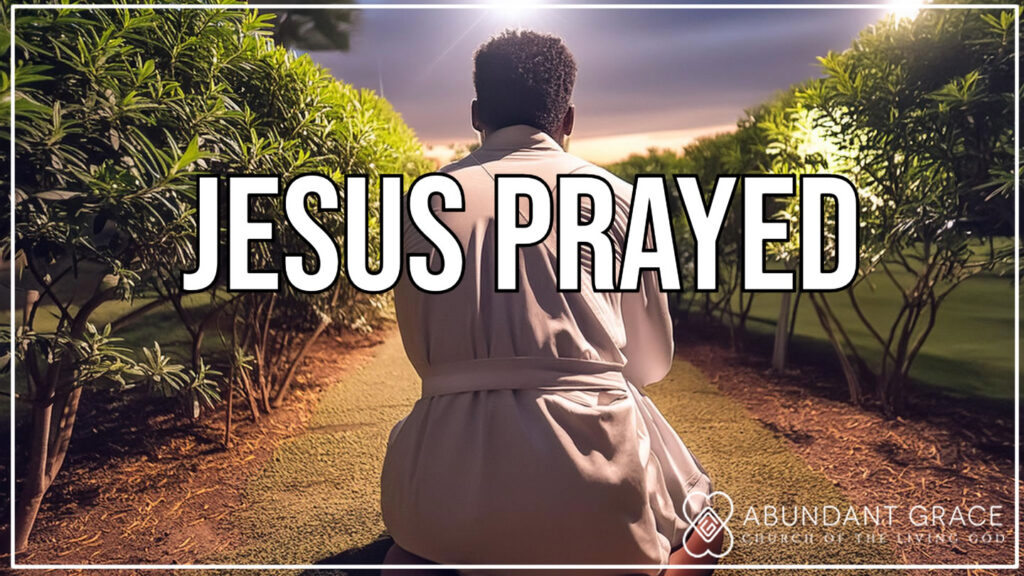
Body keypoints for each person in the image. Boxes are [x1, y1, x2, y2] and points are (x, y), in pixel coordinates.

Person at [381, 29, 721, 576]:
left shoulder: (420, 206)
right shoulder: (618, 200)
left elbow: (426, 357)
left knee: (409, 554)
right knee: (710, 532)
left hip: (442, 490)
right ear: (567, 120)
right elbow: (652, 365)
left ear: (475, 114)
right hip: (600, 487)